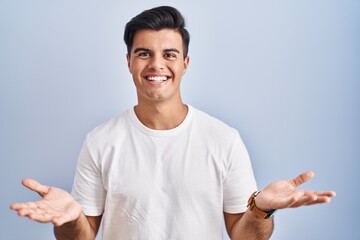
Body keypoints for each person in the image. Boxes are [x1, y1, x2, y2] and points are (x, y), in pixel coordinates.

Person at [10, 6, 336, 240]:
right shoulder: (100, 141)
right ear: (128, 61)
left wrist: (262, 209)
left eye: (169, 54)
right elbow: (81, 238)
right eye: (143, 53)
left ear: (185, 63)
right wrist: (67, 219)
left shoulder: (224, 139)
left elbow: (245, 237)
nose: (156, 65)